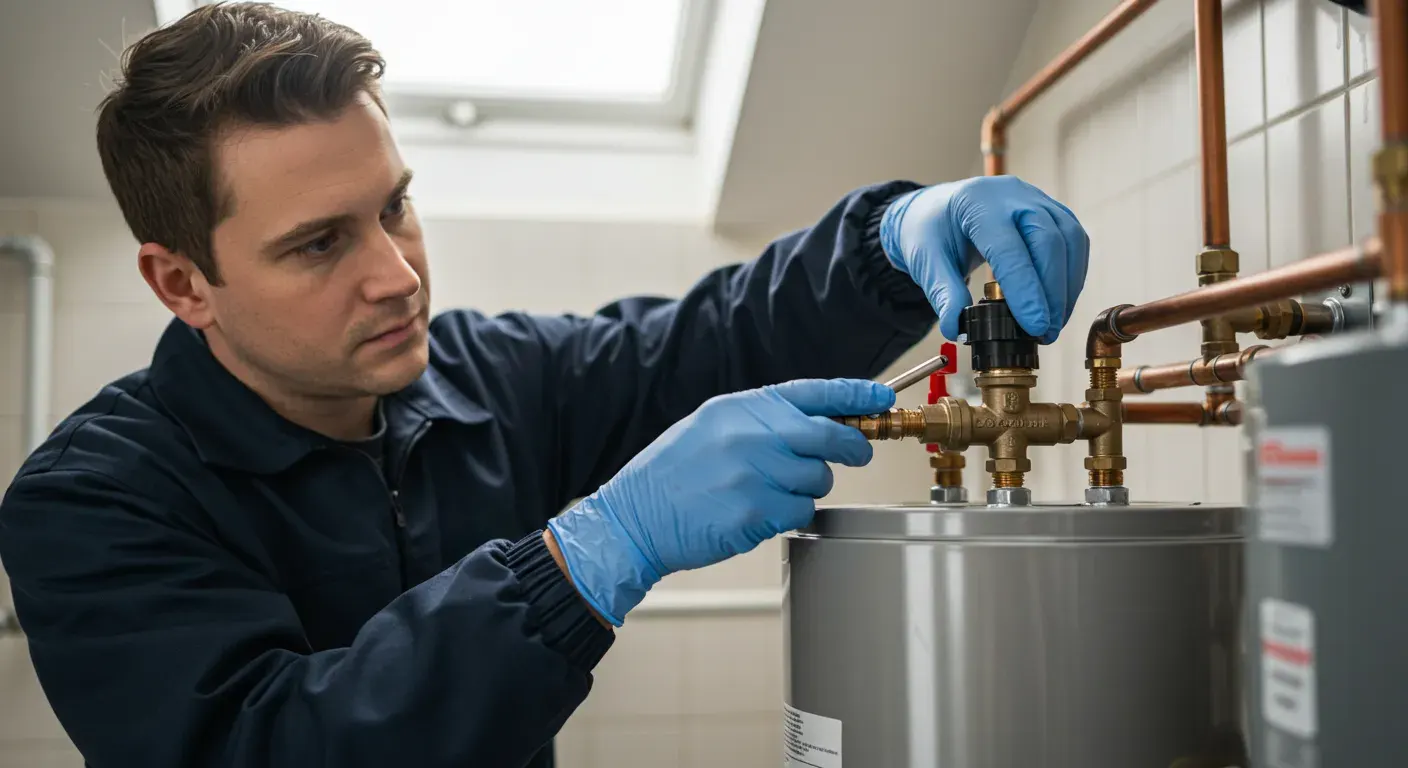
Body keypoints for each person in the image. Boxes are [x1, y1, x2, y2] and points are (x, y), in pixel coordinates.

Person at [0, 3, 1089, 767]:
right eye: (320, 243)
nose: (396, 273)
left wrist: (889, 239)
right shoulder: (95, 502)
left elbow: (713, 338)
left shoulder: (493, 378)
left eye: (395, 207)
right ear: (182, 282)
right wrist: (582, 560)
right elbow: (270, 744)